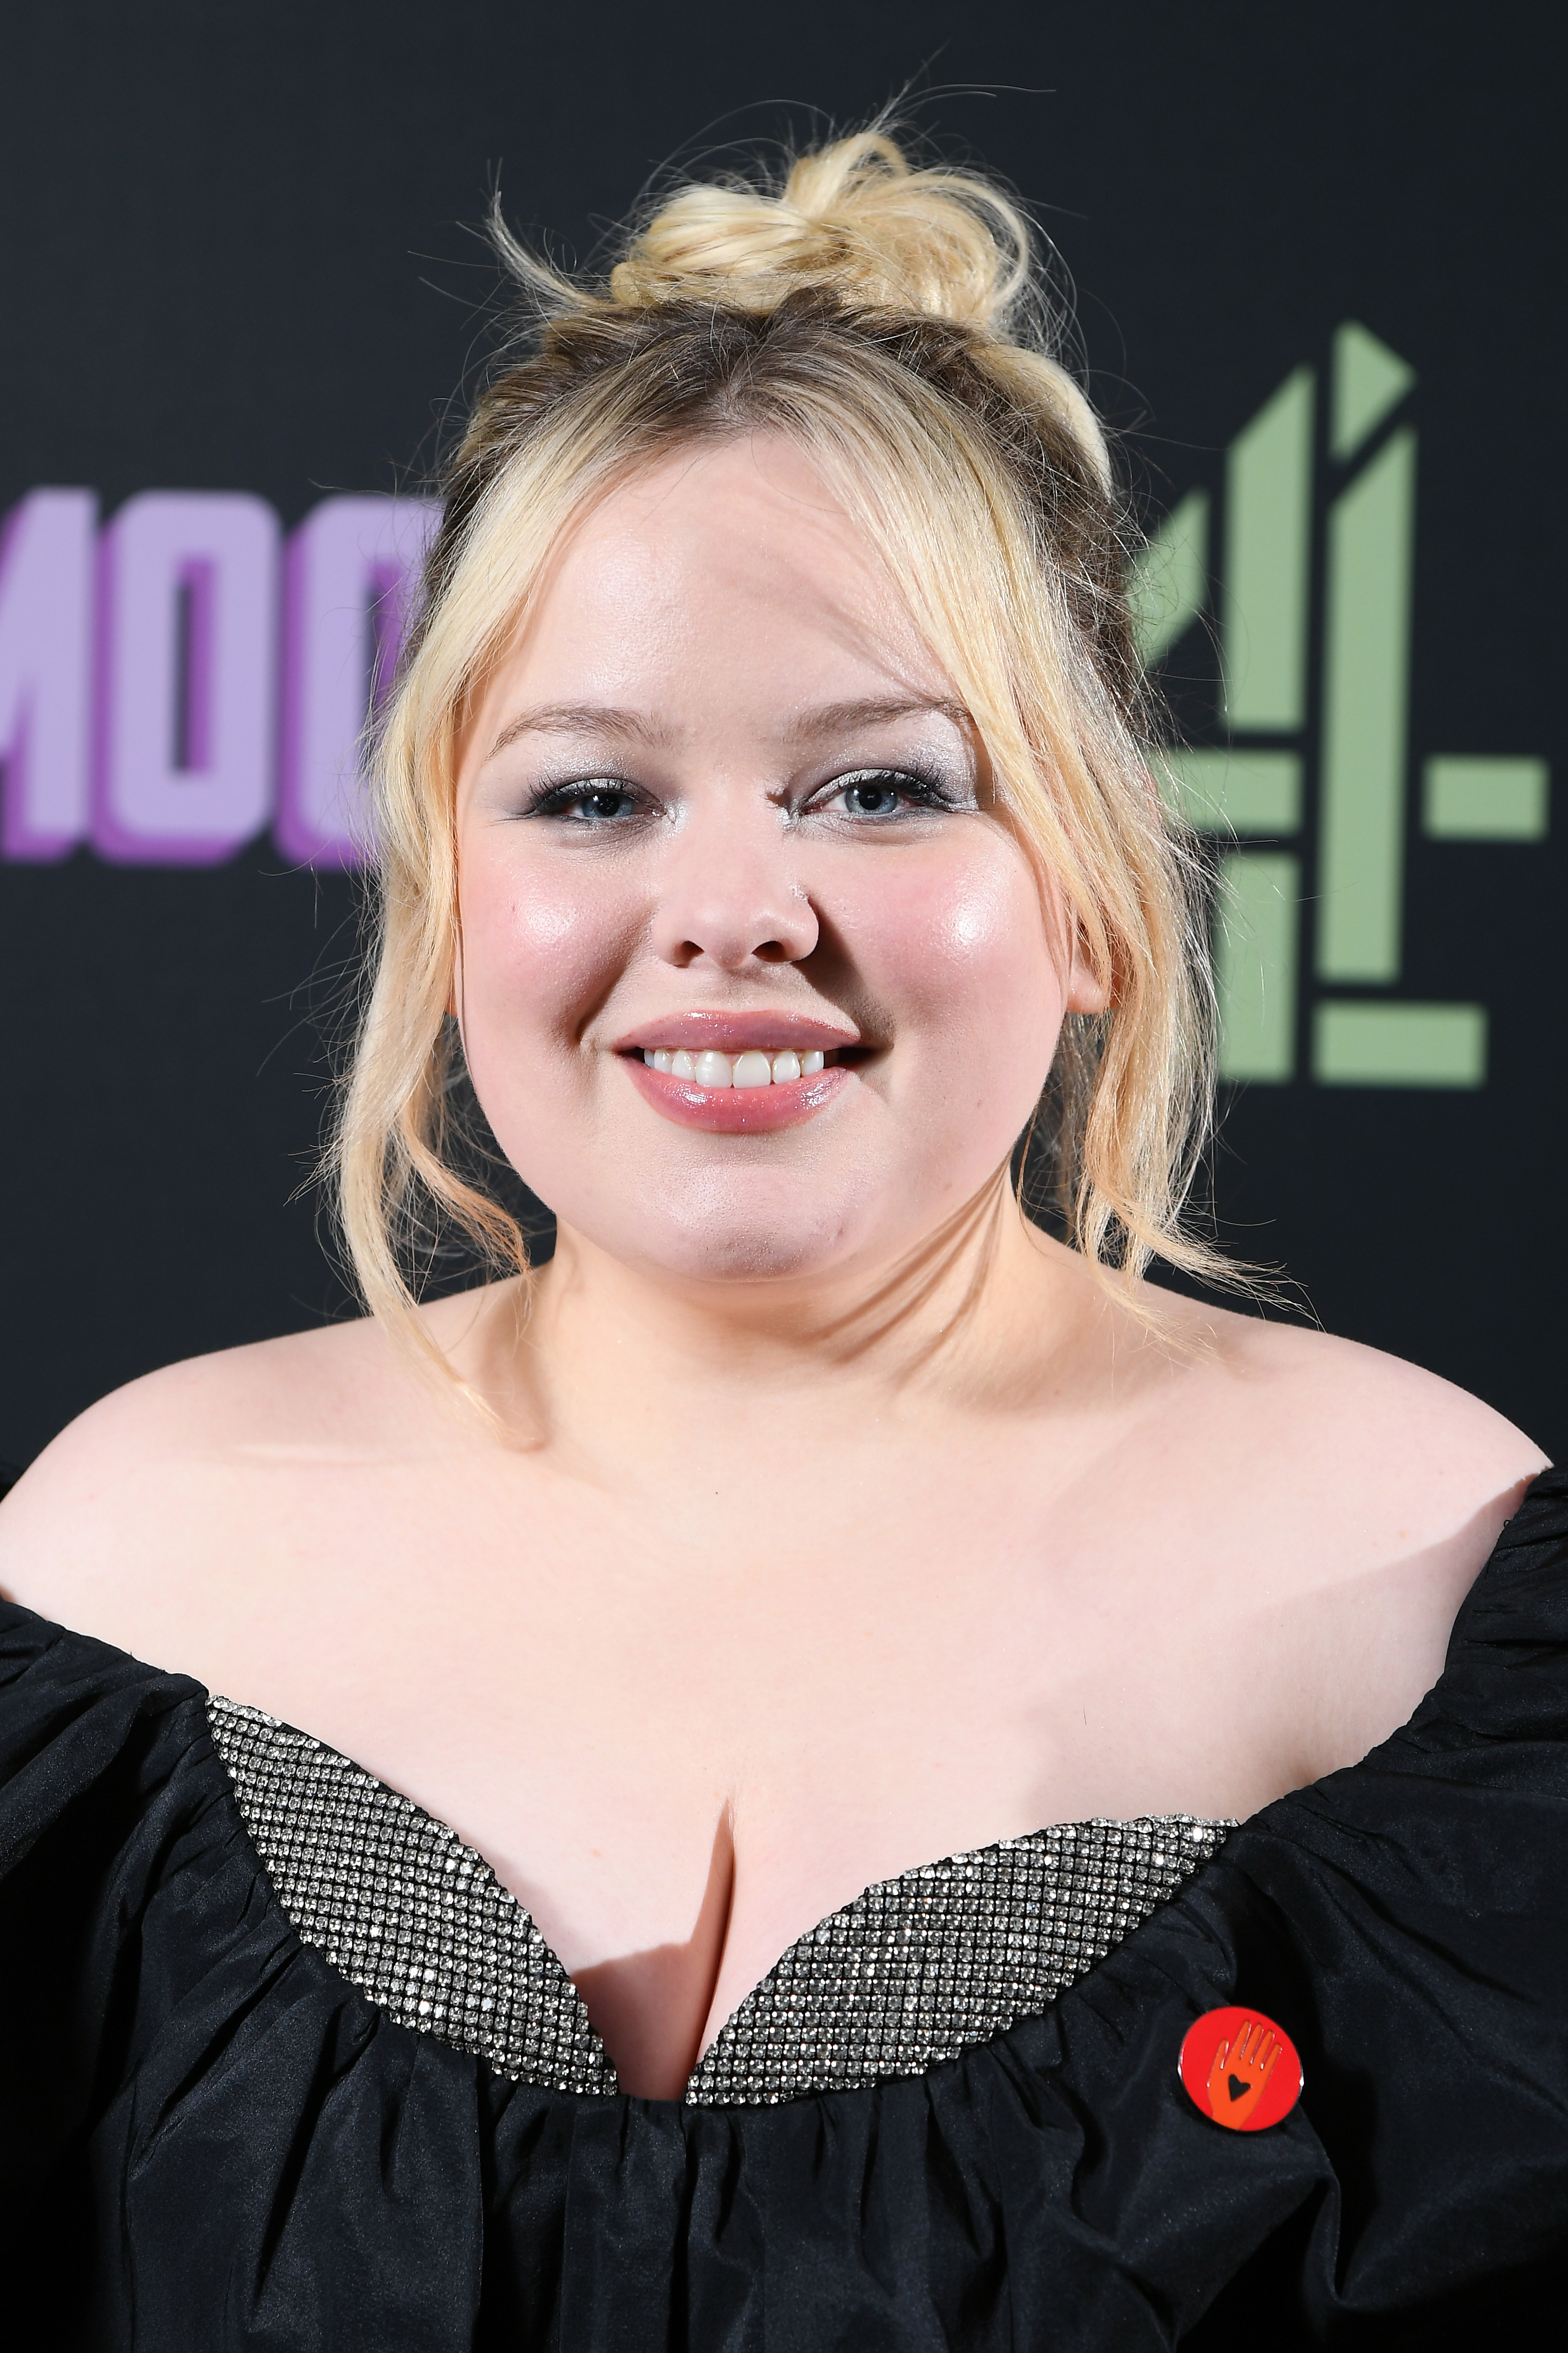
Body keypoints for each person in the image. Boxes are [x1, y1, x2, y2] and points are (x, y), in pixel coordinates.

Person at [1, 126, 1564, 2347]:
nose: (733, 908)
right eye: (594, 795)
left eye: (885, 784)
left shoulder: (1436, 1599)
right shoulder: (112, 1568)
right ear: (451, 898)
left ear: (1101, 892)